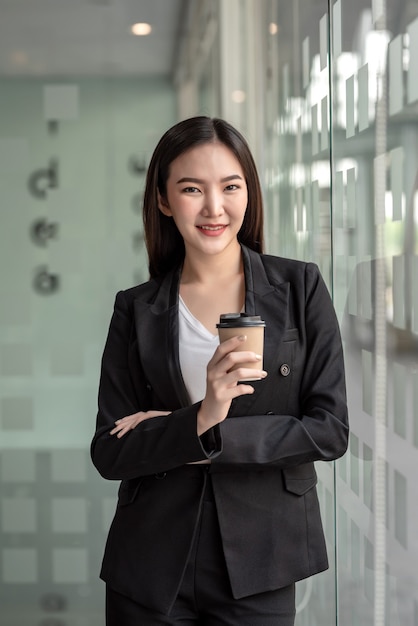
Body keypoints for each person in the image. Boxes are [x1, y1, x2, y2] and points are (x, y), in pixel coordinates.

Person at [91, 116, 349, 626]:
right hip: (151, 565)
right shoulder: (136, 308)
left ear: (248, 193)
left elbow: (330, 431)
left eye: (230, 187)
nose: (214, 207)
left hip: (263, 562)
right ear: (164, 201)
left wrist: (205, 431)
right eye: (192, 189)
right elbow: (111, 449)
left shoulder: (300, 289)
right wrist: (199, 415)